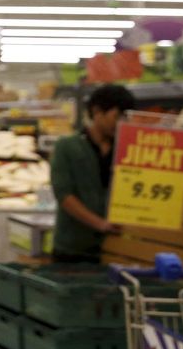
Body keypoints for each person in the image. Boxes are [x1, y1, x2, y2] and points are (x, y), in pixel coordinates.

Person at [50, 84, 135, 263]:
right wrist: (100, 224)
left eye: (126, 118)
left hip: (115, 249)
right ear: (97, 111)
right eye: (117, 116)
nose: (122, 123)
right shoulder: (67, 146)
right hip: (71, 249)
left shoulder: (128, 150)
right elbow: (64, 195)